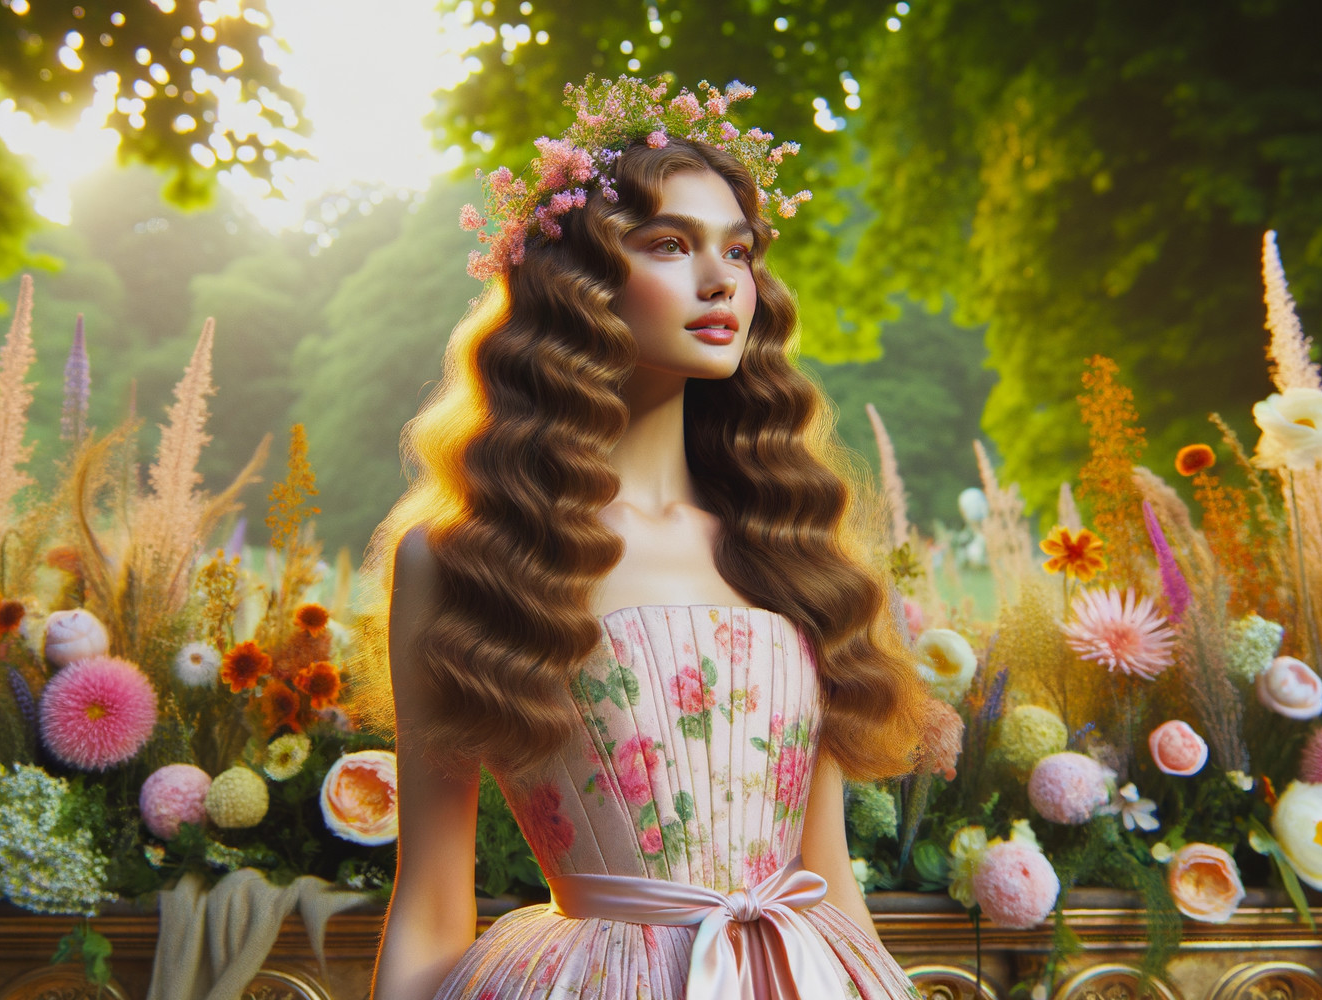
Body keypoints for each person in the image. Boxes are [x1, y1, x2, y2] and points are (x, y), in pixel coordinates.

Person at [362, 75, 928, 1000]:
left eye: (738, 252)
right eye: (670, 244)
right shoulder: (471, 557)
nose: (720, 281)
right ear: (579, 287)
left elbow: (826, 882)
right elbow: (430, 897)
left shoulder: (790, 547)